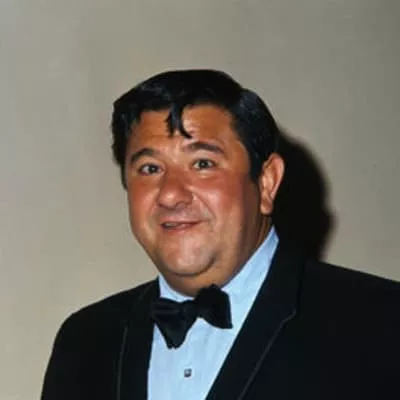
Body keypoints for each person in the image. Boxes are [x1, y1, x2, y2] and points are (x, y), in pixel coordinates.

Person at [41, 69, 400, 400]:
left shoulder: (381, 324)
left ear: (267, 182)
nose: (170, 194)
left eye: (203, 164)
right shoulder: (85, 342)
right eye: (150, 168)